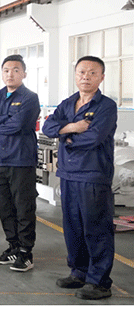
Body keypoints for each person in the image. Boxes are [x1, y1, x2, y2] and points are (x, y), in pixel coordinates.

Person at [42, 56, 117, 300]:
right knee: (73, 227)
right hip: (68, 174)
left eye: (92, 73)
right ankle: (79, 272)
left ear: (101, 77)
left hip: (93, 175)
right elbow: (47, 128)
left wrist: (65, 137)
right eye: (82, 72)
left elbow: (94, 137)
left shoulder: (106, 106)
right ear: (75, 75)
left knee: (96, 228)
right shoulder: (68, 103)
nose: (86, 76)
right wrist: (72, 128)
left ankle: (99, 282)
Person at [0, 54, 40, 272]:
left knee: (23, 207)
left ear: (24, 73)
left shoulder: (30, 98)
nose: (10, 74)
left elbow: (18, 125)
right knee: (4, 206)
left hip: (21, 160)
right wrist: (3, 120)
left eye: (15, 70)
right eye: (6, 70)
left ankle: (26, 252)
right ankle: (13, 246)